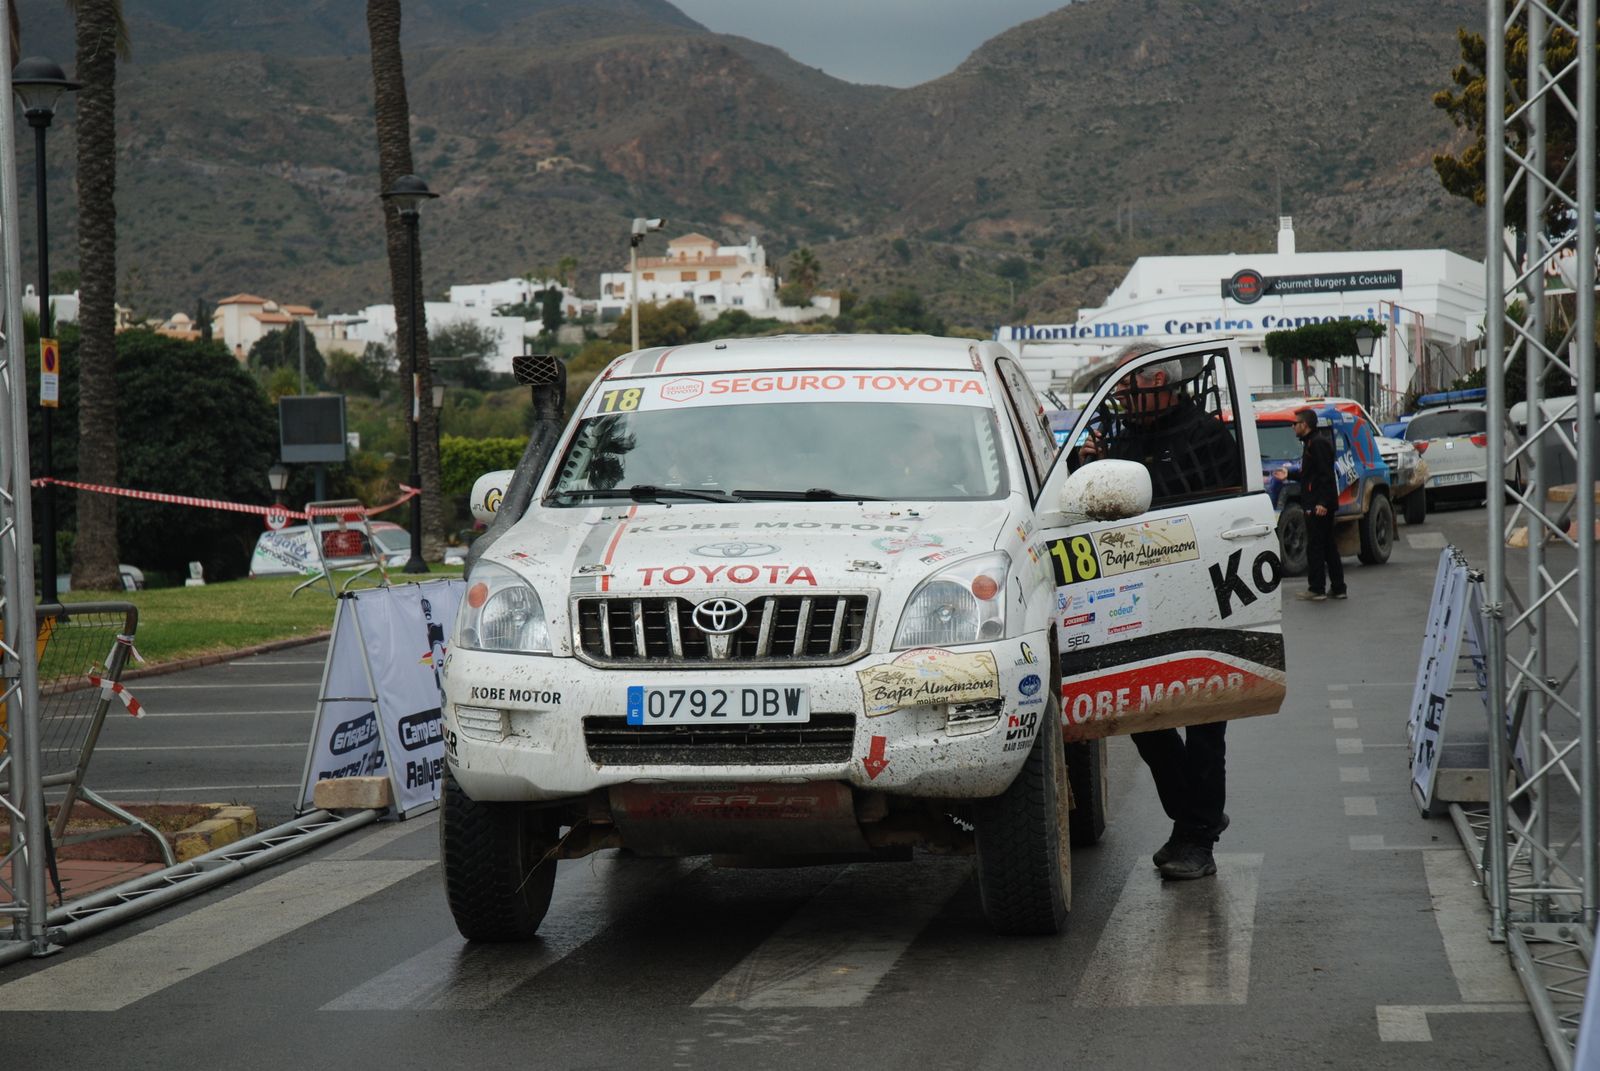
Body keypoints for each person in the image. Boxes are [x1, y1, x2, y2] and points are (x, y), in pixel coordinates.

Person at [1081, 343, 1239, 881]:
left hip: (1198, 596)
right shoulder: (1123, 441)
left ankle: (1196, 837)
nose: (1123, 394)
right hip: (1134, 601)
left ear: (1162, 382)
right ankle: (1196, 821)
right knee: (1142, 717)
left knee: (1203, 723)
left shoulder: (1209, 436)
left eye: (1131, 383)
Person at [1284, 407, 1345, 601]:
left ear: (1305, 425)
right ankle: (1338, 587)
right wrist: (1289, 474)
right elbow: (1309, 475)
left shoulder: (1318, 444)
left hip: (1319, 506)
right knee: (1327, 546)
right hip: (1317, 503)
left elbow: (1326, 476)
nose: (1293, 427)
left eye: (1295, 424)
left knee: (1316, 547)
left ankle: (1317, 588)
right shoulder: (1310, 443)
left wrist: (1322, 503)